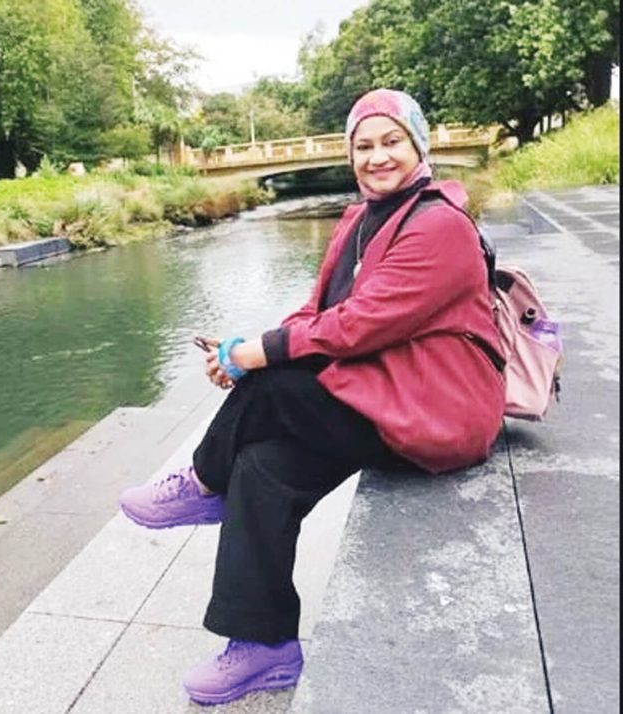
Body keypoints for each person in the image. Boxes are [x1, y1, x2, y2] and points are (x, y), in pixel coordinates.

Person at [119, 88, 505, 706]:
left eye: (392, 142)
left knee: (274, 380)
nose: (377, 157)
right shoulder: (359, 219)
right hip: (382, 394)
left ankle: (203, 481)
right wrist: (250, 348)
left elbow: (358, 326)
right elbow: (316, 310)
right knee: (261, 467)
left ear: (419, 145)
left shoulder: (440, 226)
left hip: (437, 411)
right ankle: (264, 646)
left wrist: (257, 357)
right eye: (364, 146)